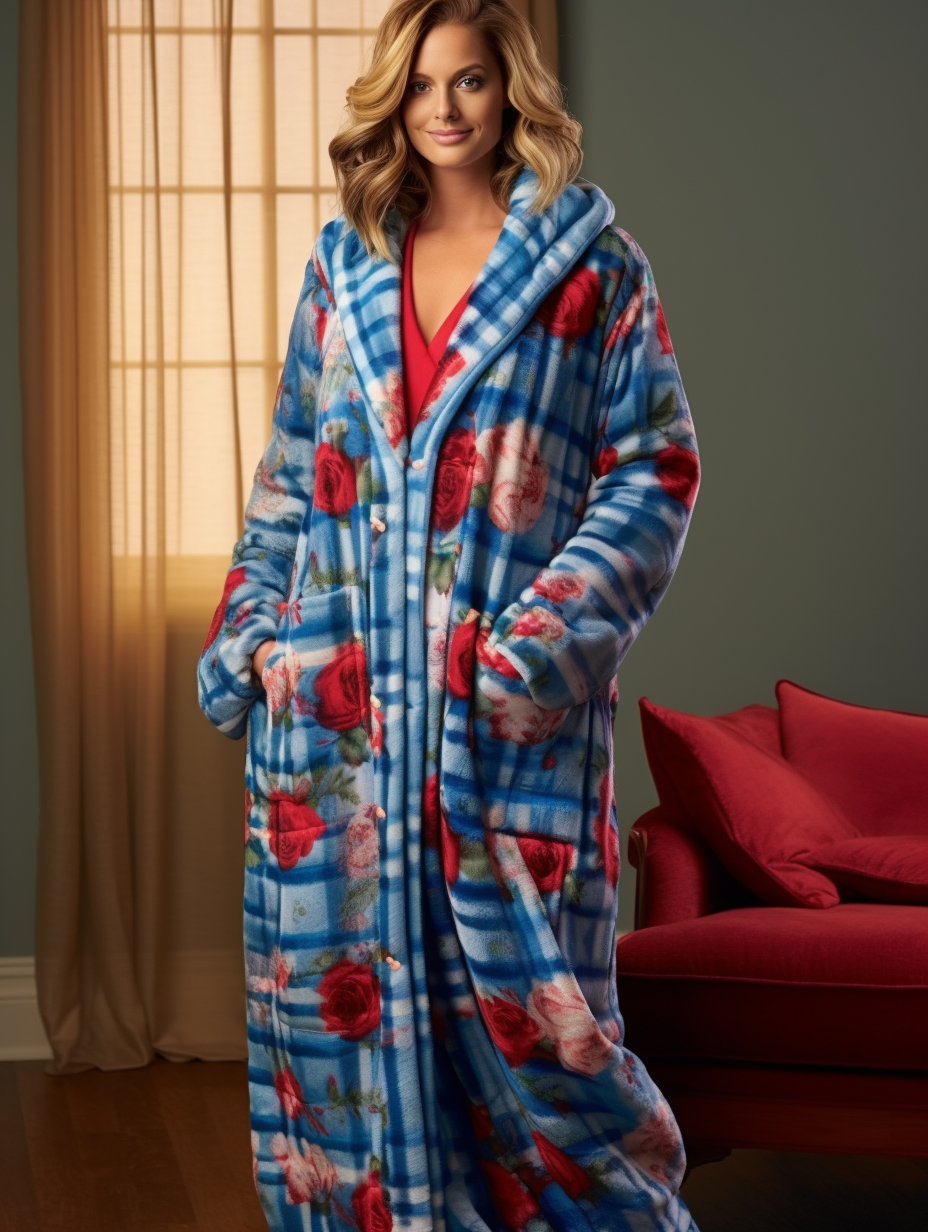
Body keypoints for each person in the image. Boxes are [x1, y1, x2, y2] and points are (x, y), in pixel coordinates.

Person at [197, 1, 702, 1228]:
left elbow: (655, 469)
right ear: (394, 98)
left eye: (468, 80)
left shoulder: (593, 271)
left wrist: (532, 648)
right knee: (343, 1042)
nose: (442, 107)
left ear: (509, 89)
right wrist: (256, 638)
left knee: (538, 1043)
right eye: (420, 84)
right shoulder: (344, 268)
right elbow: (290, 478)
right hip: (339, 735)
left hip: (497, 725)